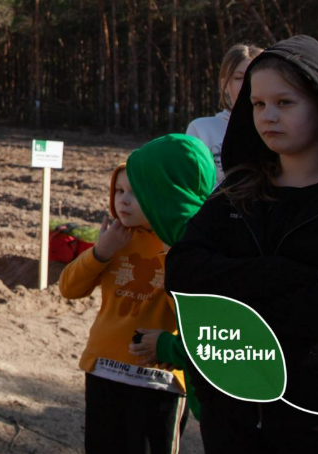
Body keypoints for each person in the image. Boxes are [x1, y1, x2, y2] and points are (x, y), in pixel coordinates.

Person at [166, 35, 318, 453]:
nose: (268, 116)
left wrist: (235, 290)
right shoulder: (238, 192)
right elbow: (181, 270)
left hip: (312, 418)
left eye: (285, 103)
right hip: (230, 410)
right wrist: (285, 275)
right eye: (258, 104)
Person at [58, 135, 214, 454]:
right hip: (104, 368)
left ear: (163, 196)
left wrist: (176, 258)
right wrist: (99, 252)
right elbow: (69, 288)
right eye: (119, 191)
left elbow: (194, 314)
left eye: (136, 192)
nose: (123, 201)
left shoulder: (184, 245)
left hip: (159, 378)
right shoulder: (115, 239)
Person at [185, 42, 263, 187]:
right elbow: (194, 185)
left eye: (254, 77)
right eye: (239, 78)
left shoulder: (275, 127)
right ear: (225, 85)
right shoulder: (201, 129)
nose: (248, 84)